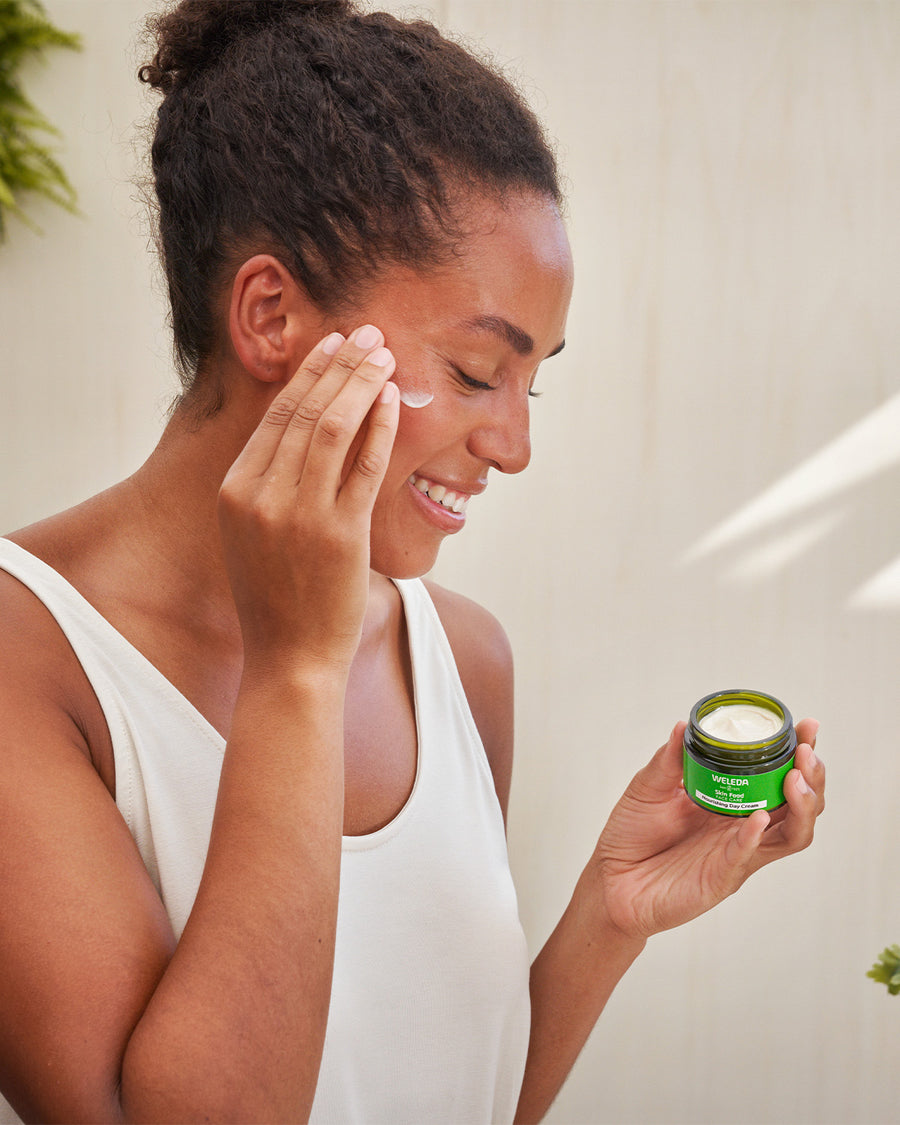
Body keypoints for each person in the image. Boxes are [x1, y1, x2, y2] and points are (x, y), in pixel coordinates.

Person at [0, 1, 825, 1122]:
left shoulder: (464, 660)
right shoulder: (26, 664)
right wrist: (298, 668)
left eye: (540, 384)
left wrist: (610, 915)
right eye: (482, 371)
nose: (517, 446)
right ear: (272, 313)